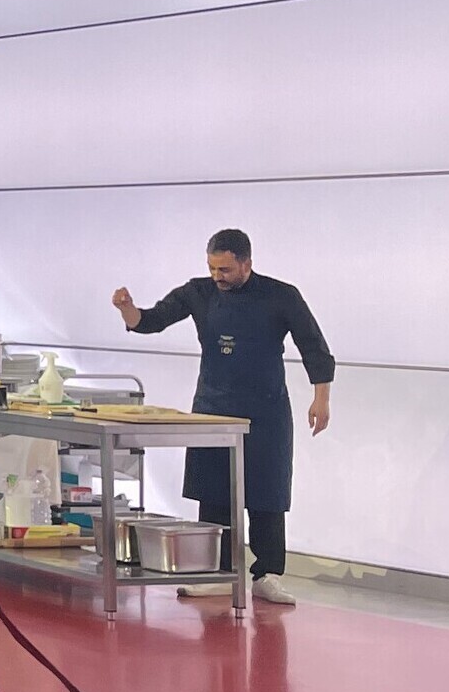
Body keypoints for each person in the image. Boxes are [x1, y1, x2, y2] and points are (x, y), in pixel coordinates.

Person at [112, 229, 334, 606]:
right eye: (213, 268)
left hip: (265, 410)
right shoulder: (198, 292)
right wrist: (127, 310)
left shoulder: (282, 295)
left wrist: (321, 399)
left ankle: (267, 574)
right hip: (212, 406)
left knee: (266, 494)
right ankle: (217, 572)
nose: (218, 276)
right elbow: (152, 320)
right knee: (214, 492)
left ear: (247, 263)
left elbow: (313, 346)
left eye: (226, 269)